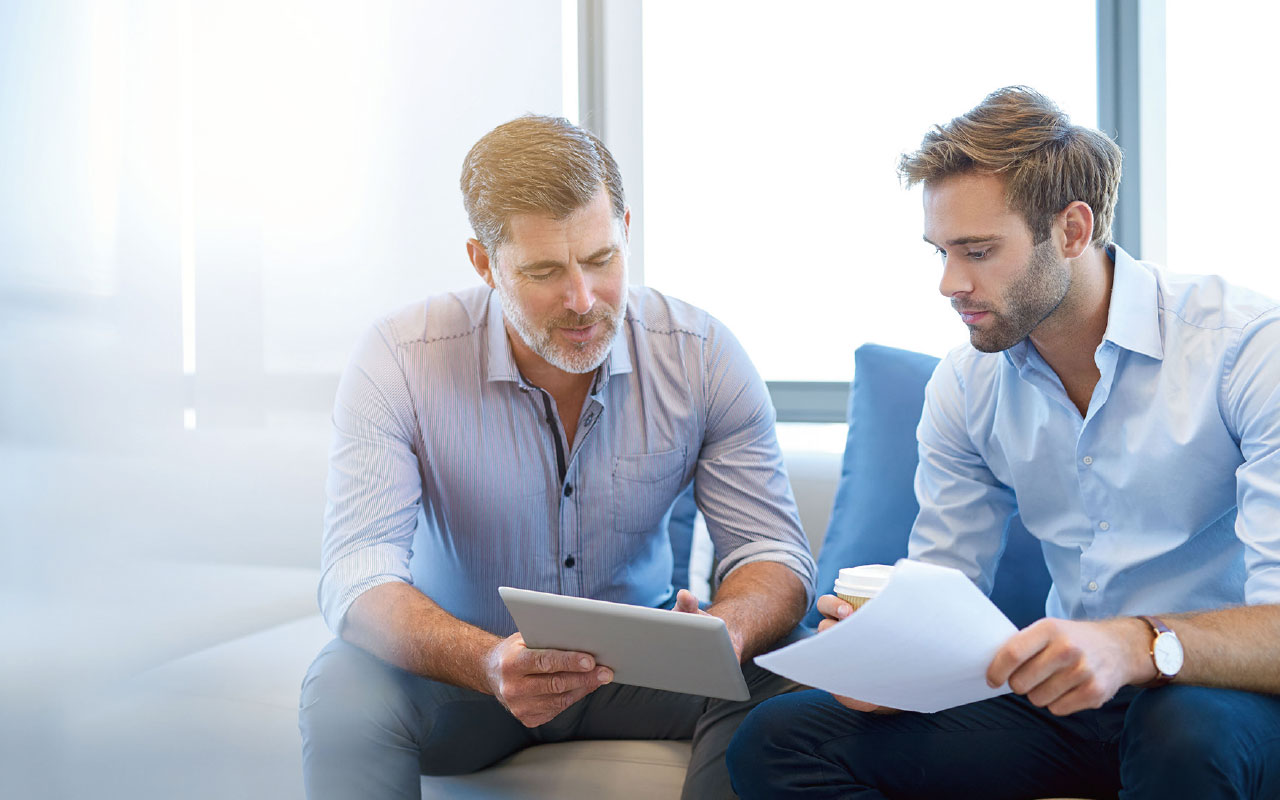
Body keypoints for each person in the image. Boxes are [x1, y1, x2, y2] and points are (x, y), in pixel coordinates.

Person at [726, 86, 1280, 799]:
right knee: (778, 740)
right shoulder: (967, 384)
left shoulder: (1244, 350)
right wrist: (887, 660)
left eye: (979, 251)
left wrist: (1136, 643)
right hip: (1071, 702)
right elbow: (945, 589)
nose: (949, 283)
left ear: (1072, 230)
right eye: (942, 252)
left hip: (1220, 692)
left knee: (1182, 733)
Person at [298, 114, 816, 800]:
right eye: (544, 271)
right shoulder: (400, 357)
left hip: (644, 673)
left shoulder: (701, 355)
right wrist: (486, 661)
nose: (582, 300)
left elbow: (771, 551)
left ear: (625, 228)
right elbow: (358, 572)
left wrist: (729, 629)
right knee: (342, 687)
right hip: (468, 676)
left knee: (796, 666)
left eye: (601, 259)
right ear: (484, 262)